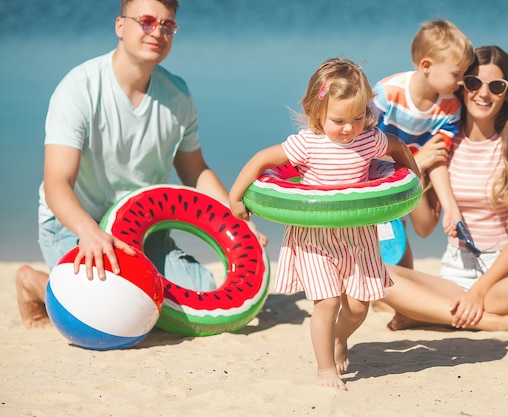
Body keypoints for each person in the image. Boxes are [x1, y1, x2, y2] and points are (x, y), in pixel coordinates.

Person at [15, 0, 256, 329]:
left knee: (201, 293)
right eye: (146, 21)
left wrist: (235, 219)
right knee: (108, 308)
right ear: (120, 26)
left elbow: (194, 171)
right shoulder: (79, 89)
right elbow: (57, 183)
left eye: (167, 25)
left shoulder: (178, 96)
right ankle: (33, 282)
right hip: (77, 224)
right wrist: (90, 232)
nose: (157, 32)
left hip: (142, 228)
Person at [229, 58, 420, 390]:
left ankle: (338, 339)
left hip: (358, 236)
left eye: (358, 117)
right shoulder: (307, 143)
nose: (349, 128)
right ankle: (325, 369)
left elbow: (398, 147)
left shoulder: (368, 139)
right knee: (328, 302)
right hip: (315, 237)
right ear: (317, 113)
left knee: (358, 308)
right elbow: (262, 159)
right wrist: (235, 197)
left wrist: (411, 180)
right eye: (339, 120)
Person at [378, 45, 508, 332]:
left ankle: (431, 313)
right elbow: (424, 227)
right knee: (376, 274)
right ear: (462, 87)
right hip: (456, 278)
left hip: (505, 279)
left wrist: (478, 292)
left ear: (507, 93)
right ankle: (492, 322)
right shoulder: (443, 143)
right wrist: (416, 166)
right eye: (473, 83)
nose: (483, 94)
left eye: (496, 86)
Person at [372, 20, 475, 269]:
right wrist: (416, 160)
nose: (461, 82)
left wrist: (451, 207)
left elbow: (437, 156)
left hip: (413, 173)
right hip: (376, 173)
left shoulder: (451, 107)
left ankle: (403, 287)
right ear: (426, 66)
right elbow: (363, 148)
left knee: (422, 226)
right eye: (456, 74)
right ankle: (397, 291)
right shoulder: (386, 94)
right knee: (391, 225)